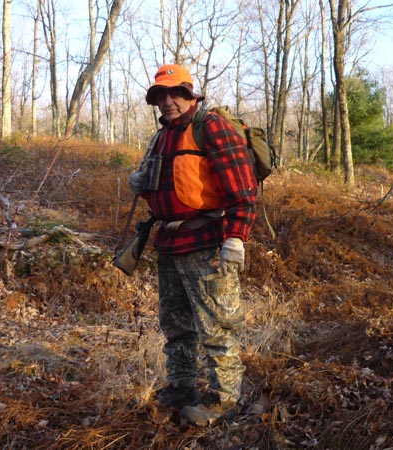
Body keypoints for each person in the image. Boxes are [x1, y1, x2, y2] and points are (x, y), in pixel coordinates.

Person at [129, 64, 257, 426]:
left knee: (217, 327)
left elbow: (243, 189)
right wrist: (140, 184)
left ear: (190, 95)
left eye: (175, 94)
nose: (167, 102)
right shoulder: (162, 136)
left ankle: (222, 400)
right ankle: (180, 387)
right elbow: (167, 187)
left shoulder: (210, 127)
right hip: (169, 243)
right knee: (176, 327)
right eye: (160, 97)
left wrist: (236, 237)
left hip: (207, 243)